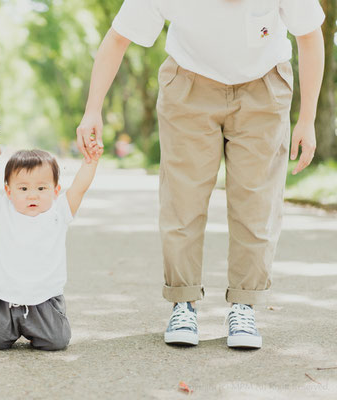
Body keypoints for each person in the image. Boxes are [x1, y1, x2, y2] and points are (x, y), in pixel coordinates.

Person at [76, 0, 325, 349]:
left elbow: (310, 35)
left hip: (264, 86)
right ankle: (183, 301)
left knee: (257, 201)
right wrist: (92, 110)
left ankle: (244, 305)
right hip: (189, 84)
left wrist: (308, 119)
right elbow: (118, 38)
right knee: (183, 199)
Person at [0, 144, 101, 350]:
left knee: (57, 342)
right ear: (8, 191)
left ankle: (36, 330)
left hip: (45, 299)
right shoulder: (3, 210)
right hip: (5, 299)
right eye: (23, 188)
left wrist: (91, 161)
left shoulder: (60, 210)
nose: (33, 195)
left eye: (42, 188)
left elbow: (79, 187)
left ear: (56, 190)